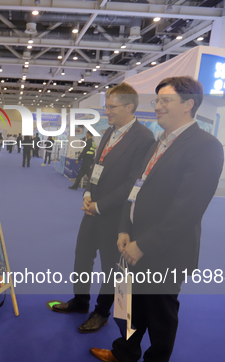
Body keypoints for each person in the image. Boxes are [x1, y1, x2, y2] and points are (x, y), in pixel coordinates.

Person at [90, 76, 224, 362]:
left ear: (188, 105)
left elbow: (188, 209)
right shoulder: (161, 140)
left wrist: (144, 244)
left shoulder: (205, 147)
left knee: (161, 313)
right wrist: (125, 228)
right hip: (132, 242)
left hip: (166, 250)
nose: (158, 106)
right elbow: (136, 188)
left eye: (166, 101)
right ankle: (125, 353)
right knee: (130, 307)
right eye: (158, 100)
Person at [51, 83, 155, 336]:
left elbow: (133, 182)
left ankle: (101, 312)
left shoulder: (144, 138)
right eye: (106, 106)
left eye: (111, 106)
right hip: (92, 210)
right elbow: (98, 166)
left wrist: (101, 205)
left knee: (110, 267)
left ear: (129, 107)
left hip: (116, 217)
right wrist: (88, 193)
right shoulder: (110, 131)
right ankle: (80, 300)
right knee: (82, 256)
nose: (106, 111)